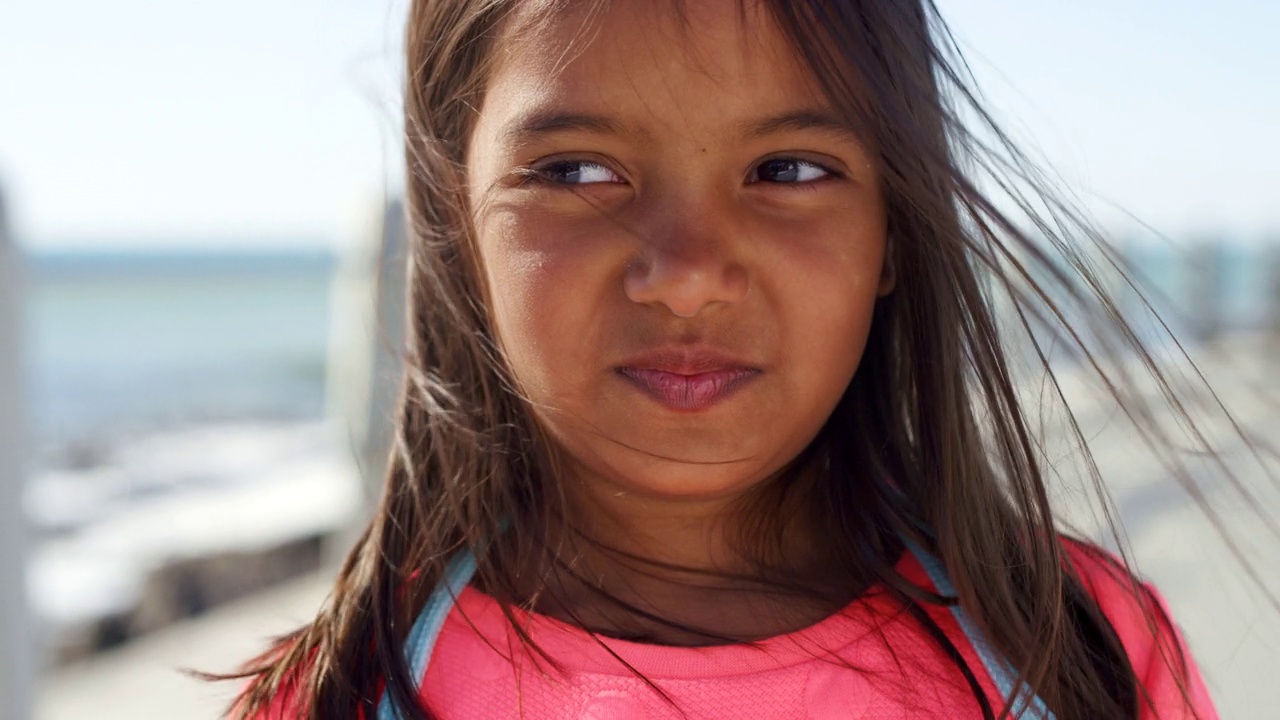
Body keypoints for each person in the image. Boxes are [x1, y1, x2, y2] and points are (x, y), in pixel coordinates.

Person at [227, 0, 1225, 717]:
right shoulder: (339, 695)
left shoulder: (1073, 649)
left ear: (893, 224)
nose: (687, 275)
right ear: (455, 216)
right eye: (575, 170)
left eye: (786, 171)